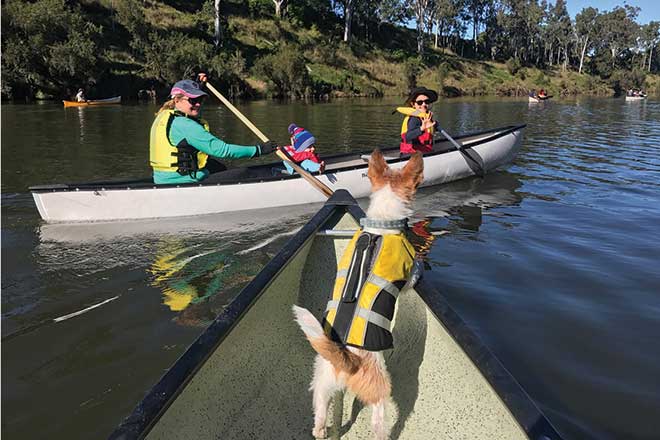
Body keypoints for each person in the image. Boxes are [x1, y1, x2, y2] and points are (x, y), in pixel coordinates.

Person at [149, 77, 277, 185]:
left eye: (200, 100)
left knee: (217, 166)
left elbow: (194, 113)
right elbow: (222, 150)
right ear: (177, 100)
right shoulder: (185, 125)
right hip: (183, 181)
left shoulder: (164, 115)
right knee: (244, 173)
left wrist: (200, 86)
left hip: (162, 179)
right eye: (193, 100)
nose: (198, 104)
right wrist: (259, 150)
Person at [400, 87, 439, 154]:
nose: (424, 104)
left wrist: (435, 125)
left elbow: (429, 131)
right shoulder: (414, 118)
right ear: (413, 104)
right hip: (413, 155)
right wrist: (422, 128)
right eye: (419, 102)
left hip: (424, 151)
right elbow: (407, 137)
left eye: (426, 101)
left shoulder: (425, 116)